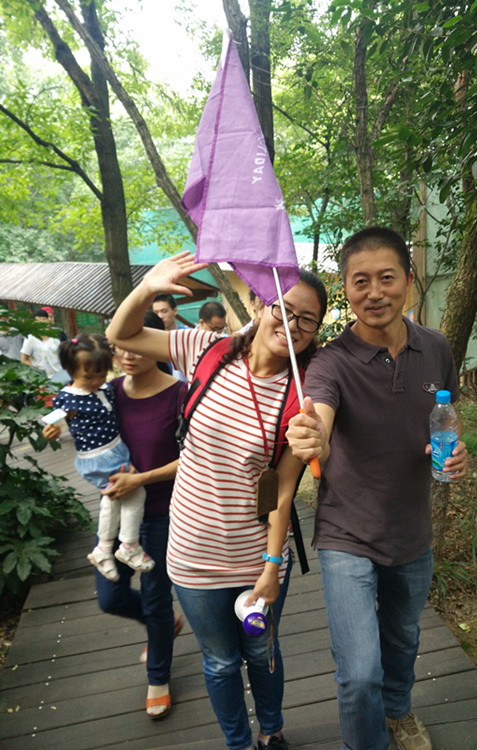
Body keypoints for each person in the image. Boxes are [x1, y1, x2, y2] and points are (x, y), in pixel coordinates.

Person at [106, 251, 327, 750]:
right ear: (259, 303)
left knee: (262, 652)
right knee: (221, 661)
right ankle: (238, 742)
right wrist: (149, 287)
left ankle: (271, 731)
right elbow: (123, 335)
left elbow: (283, 489)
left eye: (306, 319)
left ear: (315, 330)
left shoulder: (302, 390)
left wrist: (272, 566)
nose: (291, 324)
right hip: (192, 552)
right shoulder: (207, 349)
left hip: (256, 554)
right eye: (283, 309)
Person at [286, 226, 468, 750]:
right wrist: (313, 436)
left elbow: (445, 416)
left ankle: (398, 712)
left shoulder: (435, 347)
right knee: (360, 670)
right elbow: (319, 419)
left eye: (386, 278)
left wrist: (455, 450)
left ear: (408, 281)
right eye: (359, 281)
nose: (374, 292)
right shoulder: (330, 362)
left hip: (411, 529)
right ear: (345, 289)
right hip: (346, 533)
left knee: (403, 639)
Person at [44, 318, 187, 720]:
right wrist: (56, 428)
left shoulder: (181, 394)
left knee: (156, 598)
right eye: (119, 345)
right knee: (110, 597)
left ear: (160, 343)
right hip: (118, 509)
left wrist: (140, 479)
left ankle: (158, 677)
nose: (127, 354)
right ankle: (163, 624)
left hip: (163, 512)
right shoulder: (107, 390)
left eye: (137, 344)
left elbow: (195, 458)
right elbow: (73, 409)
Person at [43, 334, 155, 582]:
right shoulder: (69, 397)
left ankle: (105, 549)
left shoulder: (105, 389)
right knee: (132, 493)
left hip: (115, 450)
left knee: (116, 497)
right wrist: (52, 431)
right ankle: (126, 545)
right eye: (88, 376)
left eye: (101, 374)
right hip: (97, 457)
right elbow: (53, 422)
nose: (95, 381)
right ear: (71, 370)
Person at [21, 309, 68, 383]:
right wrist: (35, 370)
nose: (41, 322)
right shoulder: (30, 339)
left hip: (59, 375)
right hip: (42, 379)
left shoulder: (55, 336)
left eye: (44, 319)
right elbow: (24, 360)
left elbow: (62, 355)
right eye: (38, 320)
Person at [151, 293, 187, 380]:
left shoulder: (188, 334)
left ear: (175, 311)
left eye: (164, 311)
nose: (160, 316)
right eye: (156, 312)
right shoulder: (151, 339)